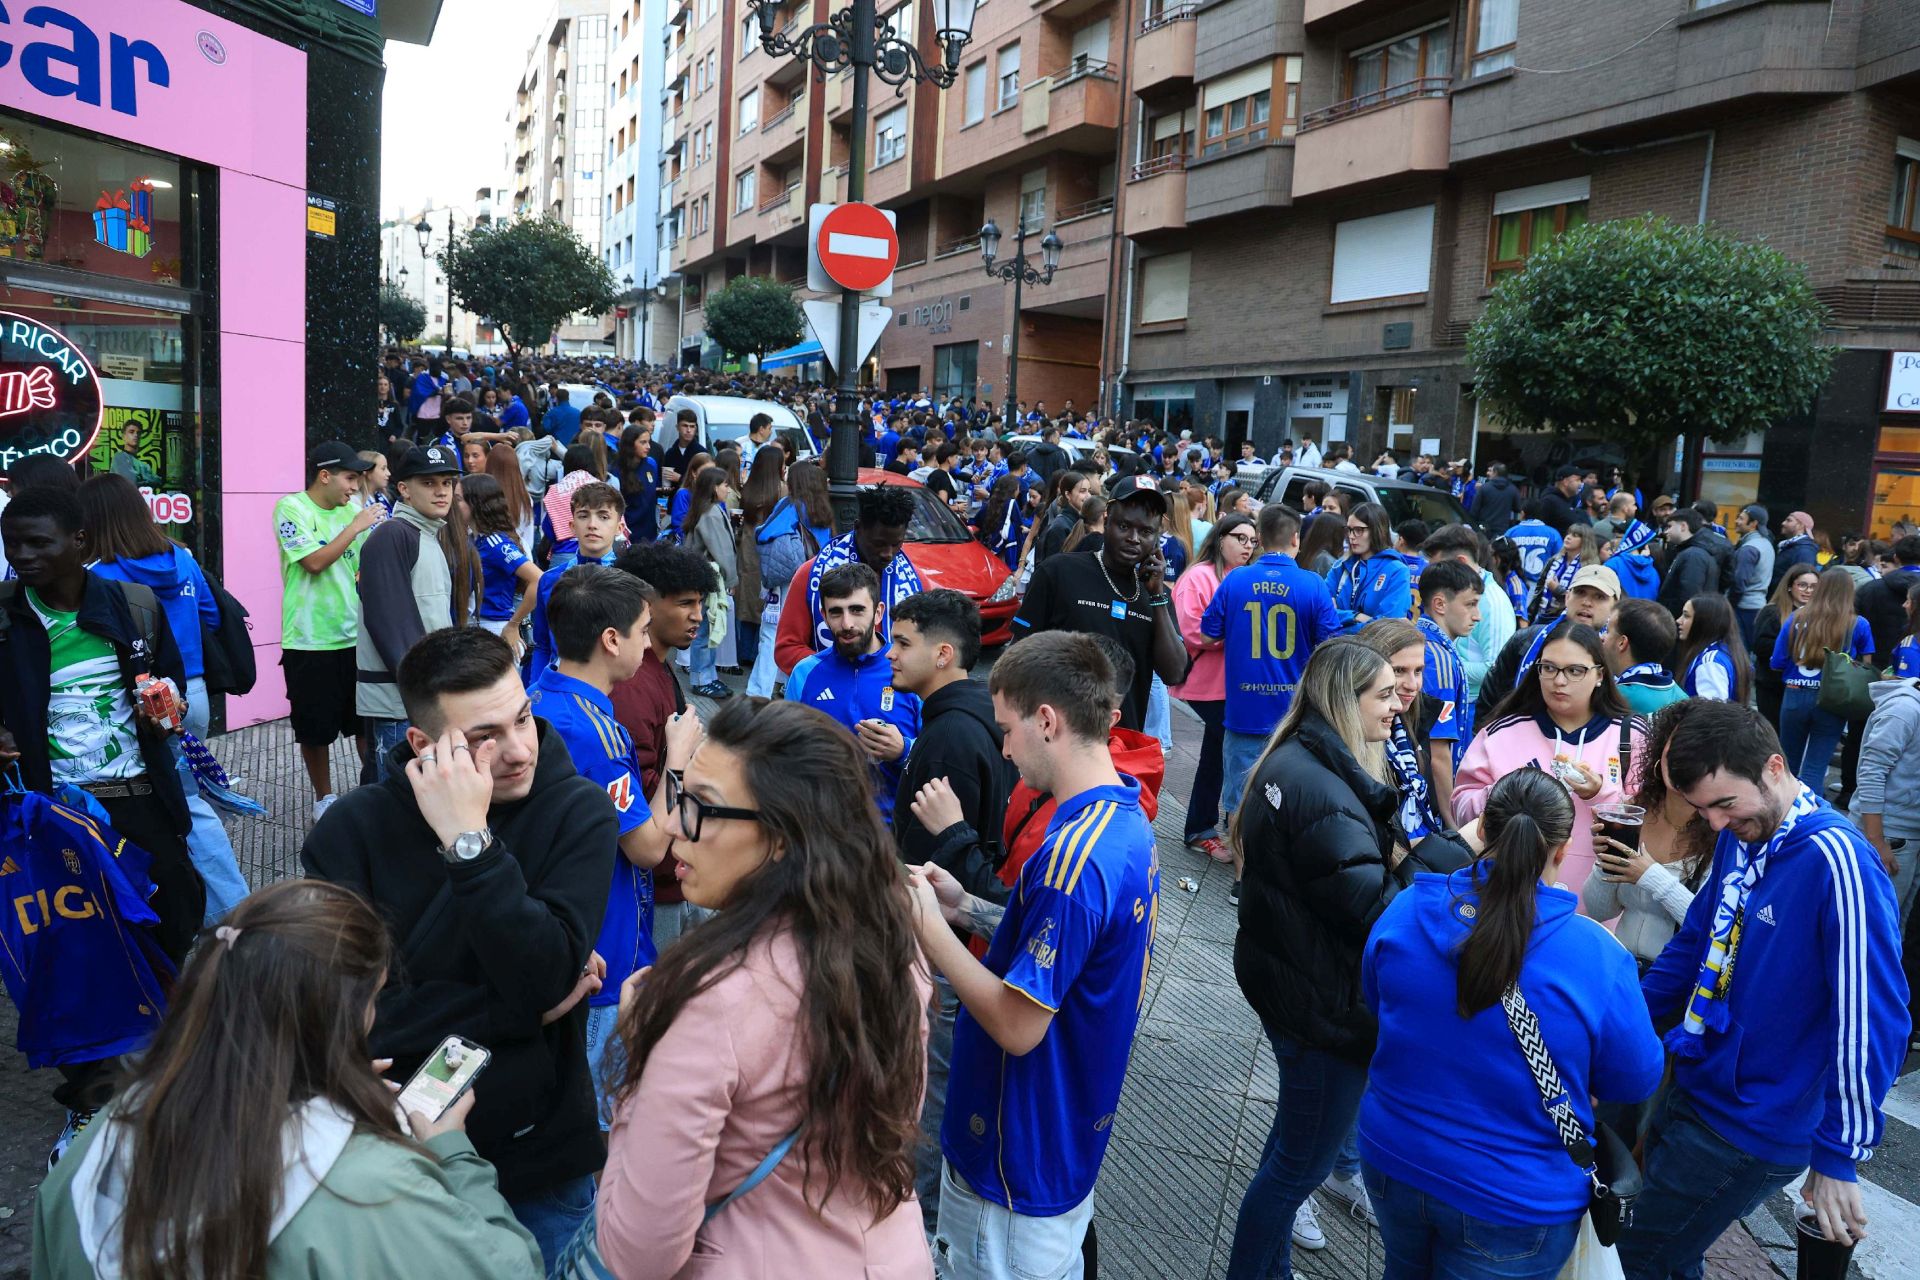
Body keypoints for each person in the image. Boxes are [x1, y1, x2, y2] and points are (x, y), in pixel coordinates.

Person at [30, 879, 546, 1280]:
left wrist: (312, 1088)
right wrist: (451, 1149)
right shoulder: (372, 1186)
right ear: (342, 1015)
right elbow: (508, 1269)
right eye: (375, 997)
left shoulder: (94, 1147)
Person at [303, 627, 616, 1267]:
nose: (519, 750)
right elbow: (341, 1014)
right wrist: (514, 1015)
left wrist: (468, 846)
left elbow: (544, 975)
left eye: (523, 718)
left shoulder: (578, 811)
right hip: (386, 1159)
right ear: (422, 744)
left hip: (538, 1163)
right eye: (484, 737)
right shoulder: (350, 830)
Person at [596, 690, 933, 1278]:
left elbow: (636, 1252)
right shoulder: (893, 951)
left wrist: (640, 1055)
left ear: (782, 838)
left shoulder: (707, 1004)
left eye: (702, 806)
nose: (674, 824)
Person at [1622, 702, 1909, 1280]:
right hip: (1701, 1082)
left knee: (1638, 1258)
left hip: (1754, 1123)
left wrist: (1838, 1155)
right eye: (1704, 810)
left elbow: (1873, 1017)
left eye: (1725, 805)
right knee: (1665, 1255)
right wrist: (1626, 1022)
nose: (1719, 825)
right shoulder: (1746, 830)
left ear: (1775, 767)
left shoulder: (1838, 862)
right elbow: (1699, 940)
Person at [902, 632, 1158, 1280]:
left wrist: (931, 931)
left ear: (1047, 721)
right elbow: (1075, 950)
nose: (1005, 748)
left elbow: (1019, 1027)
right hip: (1058, 1147)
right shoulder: (1124, 823)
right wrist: (966, 906)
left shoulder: (1073, 859)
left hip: (1013, 1166)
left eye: (1008, 729)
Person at [1225, 640, 1473, 1279]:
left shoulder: (1306, 759)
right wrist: (1459, 854)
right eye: (1386, 694)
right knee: (1296, 1167)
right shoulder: (1321, 787)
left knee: (1291, 1148)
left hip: (1296, 985)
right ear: (1344, 699)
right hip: (1323, 1006)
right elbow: (1377, 911)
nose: (1399, 705)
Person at [1360, 768, 1663, 1280]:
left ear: (1483, 829)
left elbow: (1377, 1001)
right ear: (1563, 851)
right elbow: (1635, 1078)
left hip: (1395, 1155)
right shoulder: (1596, 956)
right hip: (1516, 1197)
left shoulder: (1408, 909)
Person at [78, 474, 249, 924]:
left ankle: (234, 910)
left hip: (148, 702)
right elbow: (210, 616)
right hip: (192, 694)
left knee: (185, 803)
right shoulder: (182, 558)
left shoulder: (98, 577)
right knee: (182, 796)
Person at [1454, 620, 1647, 901]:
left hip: (1602, 906)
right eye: (1549, 668)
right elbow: (1462, 808)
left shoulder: (1631, 736)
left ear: (1600, 675)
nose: (1559, 680)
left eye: (1575, 671)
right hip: (1507, 899)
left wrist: (1600, 794)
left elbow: (1653, 820)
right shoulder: (1501, 732)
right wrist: (1506, 791)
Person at [1203, 504, 1341, 852]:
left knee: (1238, 800)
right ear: (1296, 537)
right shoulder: (1313, 584)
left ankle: (1240, 881)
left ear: (1260, 538)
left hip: (1243, 711)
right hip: (1292, 715)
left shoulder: (1236, 579)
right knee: (1287, 799)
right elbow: (1331, 647)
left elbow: (1206, 634)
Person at [1012, 477, 1188, 733]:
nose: (1134, 538)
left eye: (1146, 532)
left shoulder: (1156, 595)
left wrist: (1158, 597)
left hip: (1121, 747)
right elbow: (1018, 657)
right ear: (1106, 521)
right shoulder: (1059, 572)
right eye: (1124, 526)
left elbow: (1174, 674)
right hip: (1056, 738)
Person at [610, 545, 719, 950]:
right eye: (685, 603)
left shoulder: (655, 666)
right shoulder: (634, 682)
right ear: (646, 604)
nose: (698, 615)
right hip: (653, 880)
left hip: (675, 868)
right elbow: (639, 781)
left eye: (701, 603)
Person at [275, 442, 380, 819]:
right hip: (309, 640)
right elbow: (315, 562)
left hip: (355, 636)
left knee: (364, 724)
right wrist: (355, 527)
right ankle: (324, 799)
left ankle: (374, 790)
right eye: (350, 478)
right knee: (315, 730)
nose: (355, 487)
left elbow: (368, 564)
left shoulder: (352, 511)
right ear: (325, 475)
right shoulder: (292, 508)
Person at [354, 444, 460, 781]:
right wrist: (426, 694)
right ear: (404, 490)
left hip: (419, 698)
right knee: (397, 806)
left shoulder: (425, 535)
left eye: (447, 482)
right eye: (429, 483)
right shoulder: (392, 535)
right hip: (402, 703)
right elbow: (391, 625)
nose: (441, 490)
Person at [785, 562, 921, 824]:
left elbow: (939, 757)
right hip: (824, 832)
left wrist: (904, 749)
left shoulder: (910, 669)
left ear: (878, 612)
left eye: (857, 610)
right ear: (824, 615)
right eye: (836, 612)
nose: (847, 623)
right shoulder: (805, 673)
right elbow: (784, 754)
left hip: (895, 833)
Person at [1171, 514, 1257, 861]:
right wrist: (1240, 636)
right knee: (1224, 752)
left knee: (1218, 753)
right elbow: (1194, 630)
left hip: (1232, 685)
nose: (1247, 546)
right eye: (1240, 537)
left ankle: (1210, 826)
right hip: (1203, 683)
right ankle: (1207, 827)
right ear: (1220, 538)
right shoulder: (1198, 576)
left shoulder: (1242, 577)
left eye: (1252, 540)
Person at [773, 485, 921, 676]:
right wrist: (840, 676)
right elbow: (787, 648)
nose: (888, 553)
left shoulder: (915, 580)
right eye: (879, 544)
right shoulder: (810, 575)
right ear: (858, 528)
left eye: (896, 544)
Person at [1471, 563, 1620, 727]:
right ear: (1567, 597)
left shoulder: (1618, 653)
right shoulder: (1526, 640)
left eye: (1599, 597)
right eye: (1580, 592)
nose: (1587, 602)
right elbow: (1490, 699)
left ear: (1614, 607)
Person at [1772, 566, 1875, 793]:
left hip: (1795, 692)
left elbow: (1777, 661)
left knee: (1787, 764)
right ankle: (1808, 820)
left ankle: (1781, 816)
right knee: (1815, 768)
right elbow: (1866, 667)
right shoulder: (1859, 624)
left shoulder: (1795, 618)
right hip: (1833, 700)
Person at [526, 482, 626, 682]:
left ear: (619, 527)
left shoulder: (630, 579)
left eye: (603, 516)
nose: (592, 524)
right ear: (571, 526)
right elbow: (543, 644)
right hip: (560, 687)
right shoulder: (550, 580)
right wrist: (535, 694)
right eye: (583, 515)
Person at [1414, 559, 1482, 817]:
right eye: (1470, 604)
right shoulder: (1437, 659)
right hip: (1432, 802)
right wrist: (1452, 823)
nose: (1478, 616)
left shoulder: (1425, 644)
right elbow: (1439, 752)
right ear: (1440, 604)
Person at [1854, 665, 1920, 926]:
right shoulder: (1904, 711)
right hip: (1891, 838)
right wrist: (1876, 840)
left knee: (1895, 927)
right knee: (1876, 929)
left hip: (1906, 837)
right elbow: (1872, 772)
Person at [1422, 523, 1516, 705]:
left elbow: (1495, 668)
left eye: (1440, 566)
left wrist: (1437, 664)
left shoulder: (1493, 602)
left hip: (1473, 705)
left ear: (1461, 562)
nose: (1433, 574)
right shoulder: (1450, 595)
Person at [464, 473, 541, 657]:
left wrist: (513, 625)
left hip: (494, 629)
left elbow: (538, 579)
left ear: (475, 505)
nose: (452, 503)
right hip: (477, 629)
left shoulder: (496, 543)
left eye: (458, 499)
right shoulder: (473, 540)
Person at [679, 467, 739, 699]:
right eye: (724, 485)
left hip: (701, 578)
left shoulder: (705, 510)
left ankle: (709, 675)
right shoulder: (711, 513)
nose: (728, 489)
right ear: (714, 488)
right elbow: (722, 551)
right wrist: (731, 579)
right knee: (704, 631)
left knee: (707, 628)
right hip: (706, 580)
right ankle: (702, 679)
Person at [1604, 597, 1688, 716]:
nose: (1602, 638)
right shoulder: (1683, 700)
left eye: (1607, 631)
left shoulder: (1612, 699)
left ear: (1622, 643)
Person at [1676, 593, 1751, 703]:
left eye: (1686, 616)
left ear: (1704, 622)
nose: (1678, 620)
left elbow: (1713, 714)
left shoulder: (1710, 662)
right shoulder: (1727, 651)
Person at [1655, 508, 1717, 618]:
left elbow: (1689, 597)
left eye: (1670, 526)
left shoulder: (1693, 556)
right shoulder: (1690, 552)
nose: (1666, 531)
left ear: (1683, 526)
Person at [1731, 504, 1775, 647]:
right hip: (1758, 605)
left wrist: (1730, 605)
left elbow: (1739, 583)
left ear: (1753, 524)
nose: (1736, 521)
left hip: (1743, 608)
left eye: (1741, 519)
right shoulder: (1766, 544)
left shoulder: (1749, 549)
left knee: (1740, 651)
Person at [1770, 509, 1819, 591]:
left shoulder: (1805, 551)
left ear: (1800, 526)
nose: (1783, 523)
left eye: (1789, 520)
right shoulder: (1790, 546)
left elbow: (1802, 581)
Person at [1468, 462, 1520, 535]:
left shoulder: (1484, 488)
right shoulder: (1513, 490)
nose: (1488, 473)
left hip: (1484, 529)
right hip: (1503, 530)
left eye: (1491, 471)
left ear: (1495, 473)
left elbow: (1474, 511)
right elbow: (1518, 509)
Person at [107, 421, 159, 487]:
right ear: (123, 436)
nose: (136, 435)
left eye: (138, 433)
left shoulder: (142, 464)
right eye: (131, 432)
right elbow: (130, 482)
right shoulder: (119, 457)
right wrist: (146, 478)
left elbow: (158, 481)